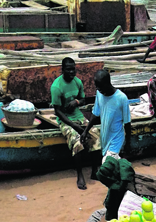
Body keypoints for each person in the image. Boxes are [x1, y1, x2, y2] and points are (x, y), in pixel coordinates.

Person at [51, 57, 88, 190]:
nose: (72, 72)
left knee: (94, 133)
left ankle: (95, 170)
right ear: (63, 70)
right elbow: (57, 112)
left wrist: (76, 102)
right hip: (65, 120)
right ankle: (80, 175)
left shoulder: (77, 82)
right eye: (68, 69)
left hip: (78, 115)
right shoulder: (56, 87)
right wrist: (74, 126)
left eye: (73, 69)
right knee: (77, 141)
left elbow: (84, 99)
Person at [81, 70, 131, 163]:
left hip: (116, 139)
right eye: (97, 87)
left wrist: (128, 143)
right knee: (113, 167)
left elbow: (127, 123)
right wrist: (86, 131)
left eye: (100, 87)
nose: (98, 89)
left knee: (106, 165)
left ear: (107, 83)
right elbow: (95, 114)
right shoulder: (99, 94)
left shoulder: (121, 98)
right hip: (105, 138)